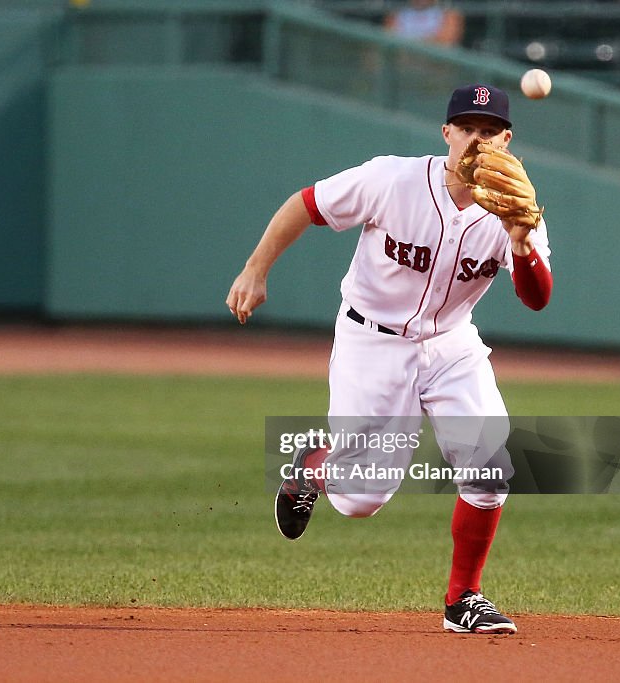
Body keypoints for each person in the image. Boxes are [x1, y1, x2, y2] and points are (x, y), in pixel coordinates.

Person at [225, 84, 552, 634]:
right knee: (361, 500)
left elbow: (537, 297)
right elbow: (306, 204)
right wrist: (256, 268)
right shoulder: (392, 180)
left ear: (507, 141)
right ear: (446, 132)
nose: (477, 139)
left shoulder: (517, 209)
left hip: (452, 344)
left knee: (490, 470)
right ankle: (314, 466)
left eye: (489, 130)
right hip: (372, 340)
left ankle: (463, 599)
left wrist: (520, 243)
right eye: (467, 128)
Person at [384, 0, 464, 47]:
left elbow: (445, 42)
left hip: (435, 67)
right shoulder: (396, 15)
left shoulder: (449, 15)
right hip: (404, 65)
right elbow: (389, 44)